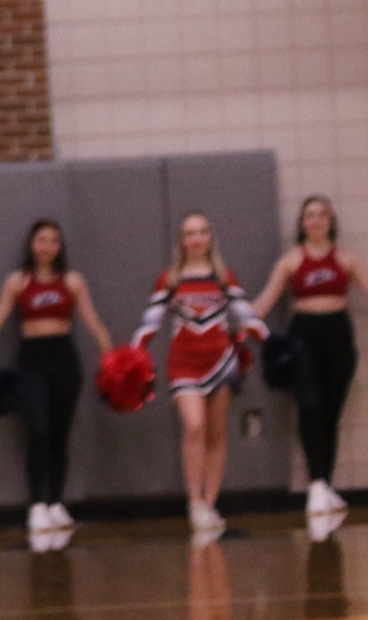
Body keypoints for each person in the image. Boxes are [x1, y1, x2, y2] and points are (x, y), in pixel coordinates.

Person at [130, 211, 265, 535]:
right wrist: (133, 354)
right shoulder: (171, 279)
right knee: (194, 426)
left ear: (210, 238)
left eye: (203, 232)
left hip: (221, 361)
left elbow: (245, 314)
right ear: (182, 240)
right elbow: (151, 322)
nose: (196, 238)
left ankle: (210, 502)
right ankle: (194, 503)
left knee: (217, 434)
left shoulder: (223, 276)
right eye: (190, 233)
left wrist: (271, 341)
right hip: (184, 362)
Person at [0, 219, 114, 536]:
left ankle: (55, 502)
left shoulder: (72, 281)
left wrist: (113, 359)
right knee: (38, 428)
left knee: (59, 432)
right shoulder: (18, 281)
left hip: (64, 358)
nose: (46, 246)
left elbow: (94, 323)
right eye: (41, 240)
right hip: (31, 360)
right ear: (31, 244)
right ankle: (37, 505)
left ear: (59, 246)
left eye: (53, 240)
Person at [252, 195, 361, 519]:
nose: (315, 220)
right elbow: (263, 305)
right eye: (309, 215)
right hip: (303, 337)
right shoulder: (290, 261)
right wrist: (231, 326)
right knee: (310, 406)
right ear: (302, 223)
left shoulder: (347, 259)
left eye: (321, 215)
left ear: (330, 221)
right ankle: (315, 484)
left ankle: (325, 484)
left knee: (331, 411)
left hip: (338, 335)